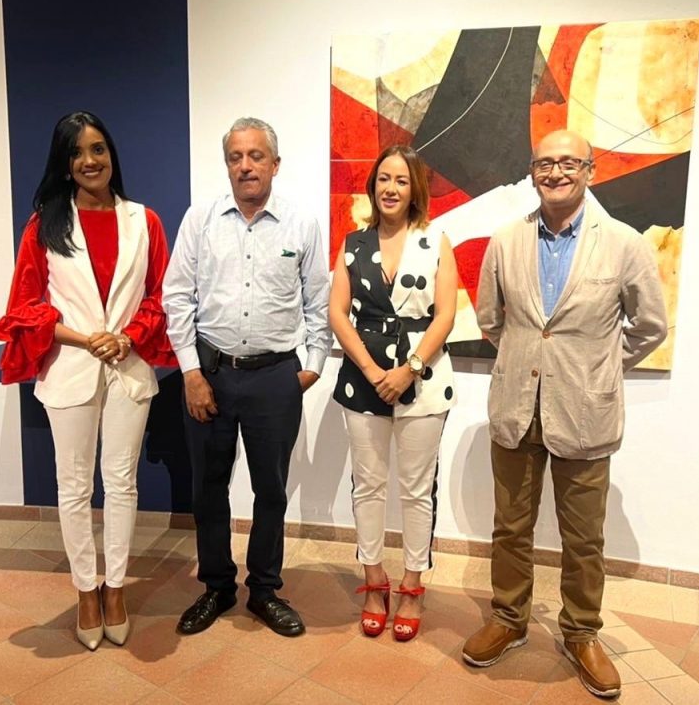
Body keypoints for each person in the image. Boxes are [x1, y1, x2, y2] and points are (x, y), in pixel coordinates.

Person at [462, 129, 667, 698]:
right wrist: (530, 357)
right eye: (544, 163)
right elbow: (490, 318)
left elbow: (650, 326)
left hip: (585, 411)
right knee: (510, 527)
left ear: (590, 170)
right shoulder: (506, 240)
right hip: (516, 408)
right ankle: (509, 618)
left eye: (568, 162)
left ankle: (580, 632)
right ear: (532, 172)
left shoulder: (624, 243)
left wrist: (599, 366)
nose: (555, 172)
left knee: (584, 538)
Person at [0, 111, 175, 651]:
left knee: (121, 483)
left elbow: (161, 295)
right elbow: (25, 305)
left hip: (129, 370)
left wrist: (128, 337)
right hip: (69, 370)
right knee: (73, 486)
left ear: (111, 153)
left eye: (98, 149)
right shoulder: (44, 225)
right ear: (64, 163)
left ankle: (115, 588)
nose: (90, 161)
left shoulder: (145, 221)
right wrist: (84, 338)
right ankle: (85, 592)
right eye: (77, 152)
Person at [162, 117, 331, 637]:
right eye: (235, 157)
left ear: (275, 164)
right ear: (227, 165)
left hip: (275, 376)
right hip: (210, 373)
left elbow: (318, 302)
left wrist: (310, 367)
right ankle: (216, 586)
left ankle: (264, 589)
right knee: (209, 488)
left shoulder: (301, 224)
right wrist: (191, 372)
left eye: (256, 156)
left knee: (271, 490)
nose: (245, 166)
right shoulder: (201, 220)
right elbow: (176, 297)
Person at [329, 145, 457, 642]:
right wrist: (370, 369)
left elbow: (445, 315)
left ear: (415, 189)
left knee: (417, 489)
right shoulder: (353, 244)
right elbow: (338, 312)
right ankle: (374, 581)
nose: (391, 188)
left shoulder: (435, 241)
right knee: (368, 485)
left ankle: (412, 586)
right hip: (361, 381)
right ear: (373, 185)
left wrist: (409, 370)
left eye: (402, 180)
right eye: (384, 178)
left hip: (423, 382)